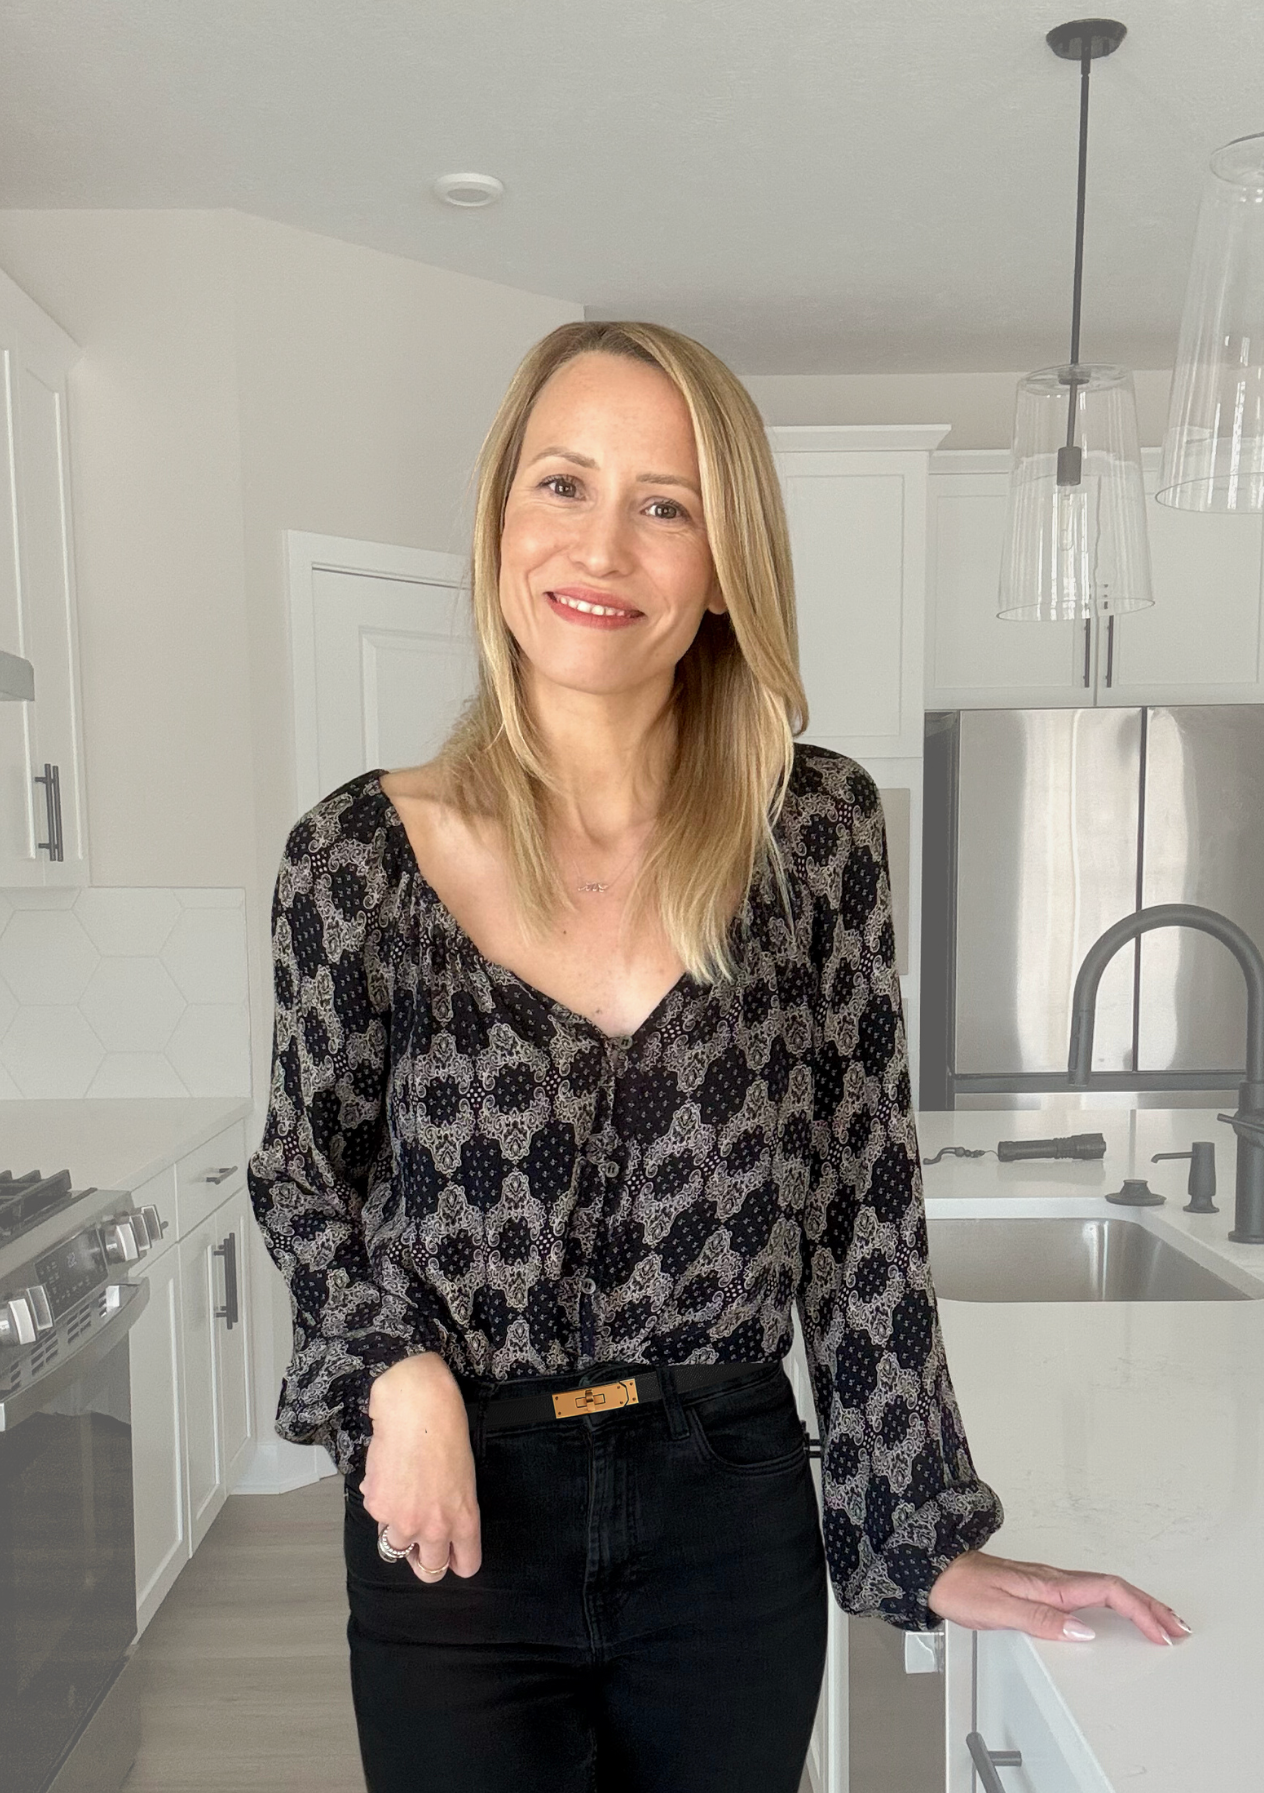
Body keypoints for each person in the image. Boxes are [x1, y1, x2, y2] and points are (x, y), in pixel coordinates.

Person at [246, 320, 1188, 1793]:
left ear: (721, 563)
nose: (602, 546)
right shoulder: (358, 858)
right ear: (501, 517)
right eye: (562, 484)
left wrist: (920, 1528)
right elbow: (303, 1176)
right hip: (459, 1516)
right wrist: (395, 1375)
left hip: (728, 1506)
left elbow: (860, 1202)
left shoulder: (812, 836)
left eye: (664, 504)